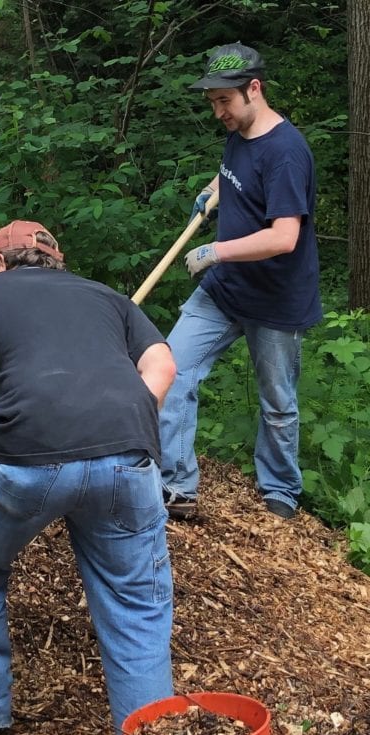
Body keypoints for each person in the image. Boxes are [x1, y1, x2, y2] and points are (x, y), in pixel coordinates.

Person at [0, 220, 178, 735]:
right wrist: (122, 425)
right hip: (128, 458)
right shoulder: (106, 298)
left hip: (23, 463)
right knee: (135, 603)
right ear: (57, 259)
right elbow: (164, 366)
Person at [162, 42, 321, 520]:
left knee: (277, 403)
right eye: (212, 102)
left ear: (254, 89)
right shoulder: (240, 131)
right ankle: (175, 485)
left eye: (224, 102)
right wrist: (211, 192)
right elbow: (231, 171)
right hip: (225, 290)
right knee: (170, 370)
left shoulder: (287, 153)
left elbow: (285, 236)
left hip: (275, 299)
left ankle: (281, 491)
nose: (218, 113)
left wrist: (215, 251)